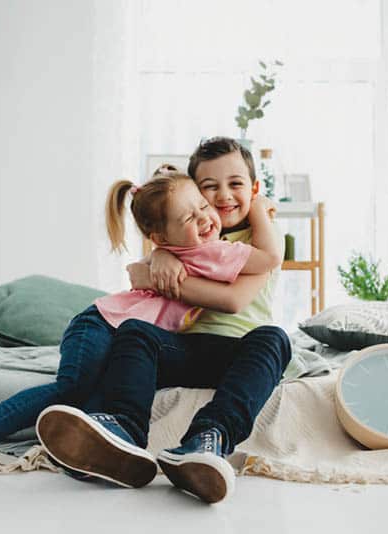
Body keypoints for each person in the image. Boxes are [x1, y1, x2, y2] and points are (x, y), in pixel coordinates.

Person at [0, 161, 281, 480]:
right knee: (73, 388)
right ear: (161, 237)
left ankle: (97, 451)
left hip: (126, 336)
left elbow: (236, 282)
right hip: (102, 324)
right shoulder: (211, 251)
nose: (205, 217)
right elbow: (268, 258)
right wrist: (263, 210)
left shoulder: (190, 248)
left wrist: (162, 252)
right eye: (190, 217)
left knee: (91, 393)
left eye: (203, 208)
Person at [35, 136, 292, 504]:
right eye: (209, 188)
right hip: (187, 348)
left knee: (274, 338)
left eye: (236, 184)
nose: (224, 196)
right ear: (195, 195)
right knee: (136, 332)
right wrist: (158, 259)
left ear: (253, 189)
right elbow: (146, 265)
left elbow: (235, 300)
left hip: (237, 352)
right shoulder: (191, 231)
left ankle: (208, 438)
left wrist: (259, 210)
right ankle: (124, 432)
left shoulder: (259, 237)